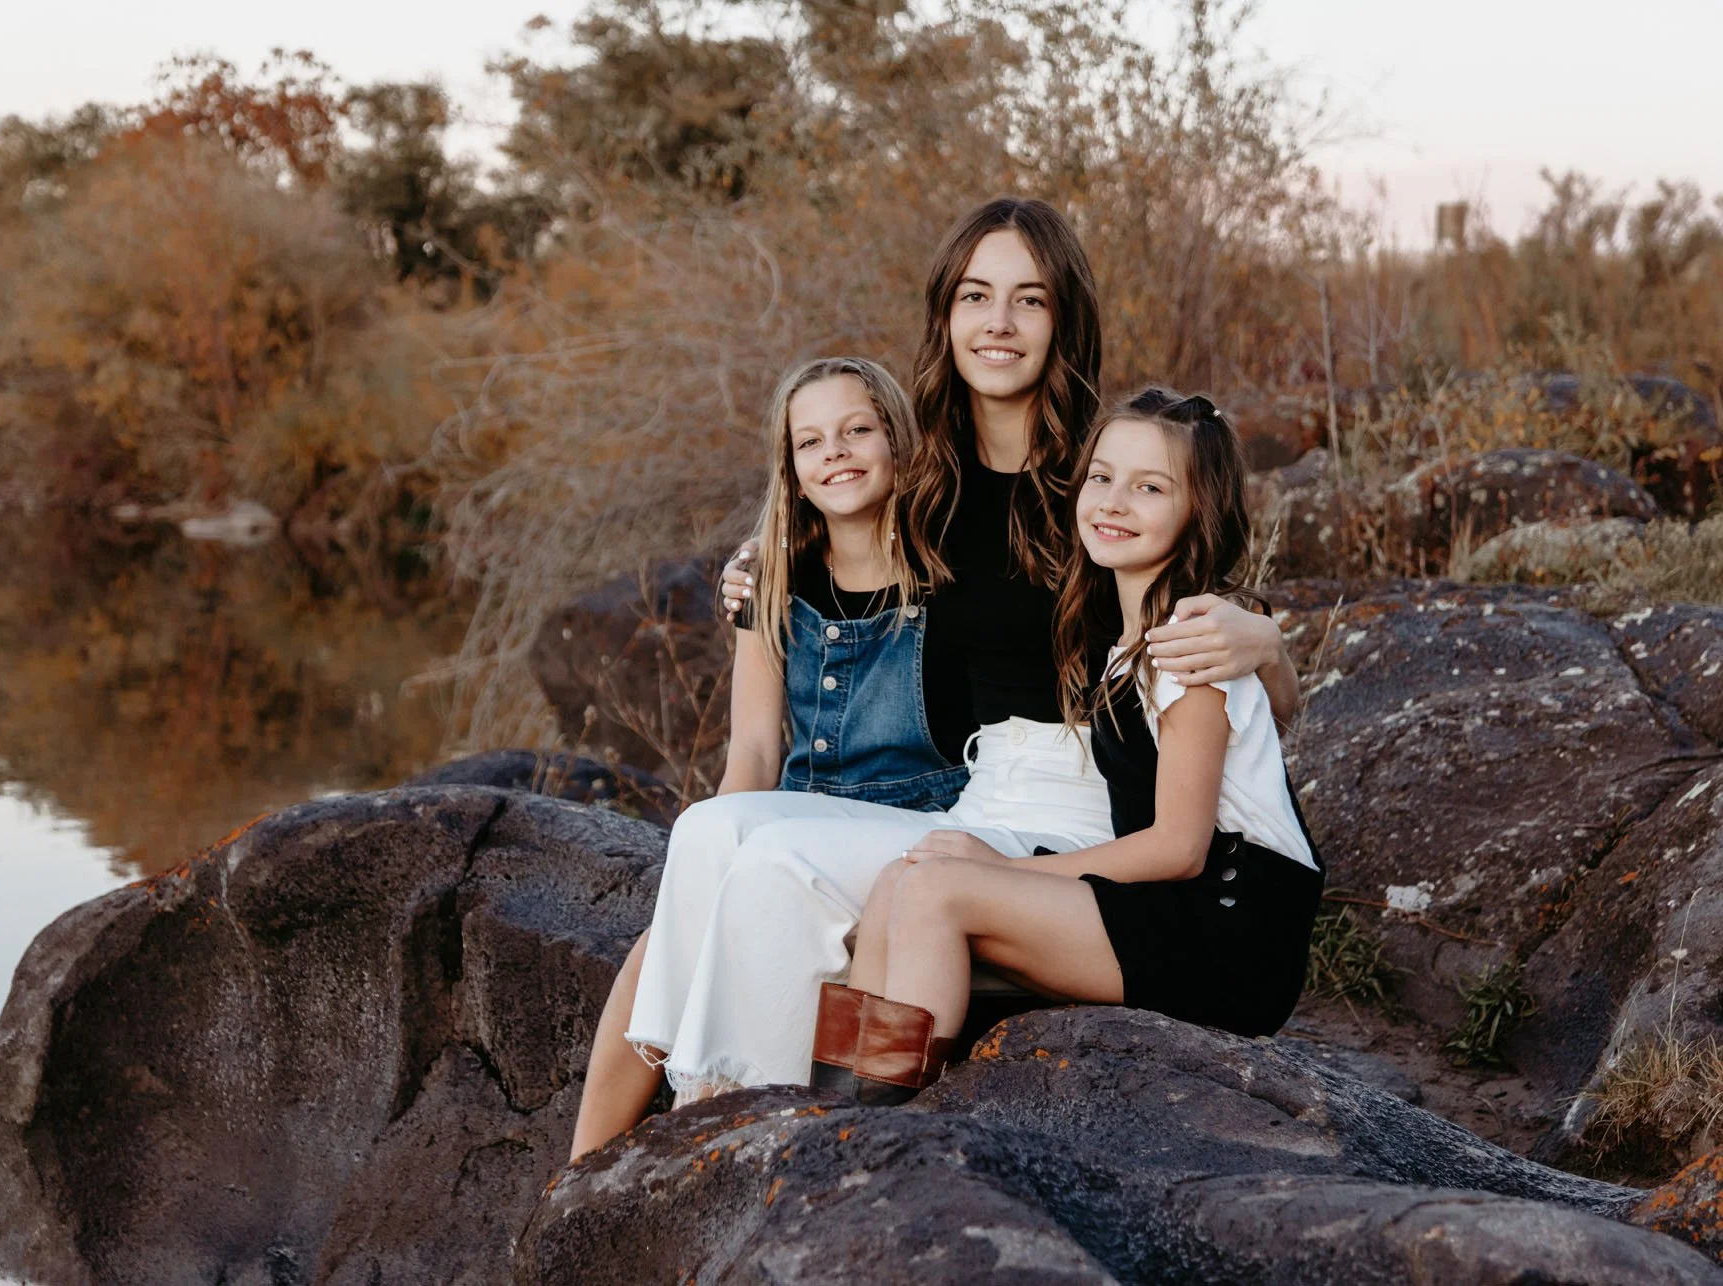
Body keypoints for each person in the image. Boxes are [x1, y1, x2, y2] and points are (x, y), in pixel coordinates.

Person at [625, 198, 1301, 1110]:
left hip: (1082, 806)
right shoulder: (926, 477)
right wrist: (764, 567)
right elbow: (833, 491)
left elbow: (1228, 691)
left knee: (789, 874)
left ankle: (800, 1128)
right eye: (977, 296)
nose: (999, 322)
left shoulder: (1096, 476)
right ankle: (713, 1119)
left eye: (1029, 299)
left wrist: (1268, 638)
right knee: (713, 833)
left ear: (1064, 317)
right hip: (981, 791)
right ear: (945, 314)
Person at [827, 390, 1323, 1102]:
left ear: (1198, 511)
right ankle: (840, 1102)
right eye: (1101, 477)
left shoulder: (1192, 645)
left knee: (937, 889)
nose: (1115, 501)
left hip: (1229, 931)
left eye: (1149, 487)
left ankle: (886, 1118)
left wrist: (1011, 870)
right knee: (905, 876)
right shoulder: (1126, 639)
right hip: (1168, 911)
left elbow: (1180, 849)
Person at [565, 355, 971, 1159]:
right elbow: (752, 750)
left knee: (764, 910)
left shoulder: (950, 570)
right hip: (799, 808)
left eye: (858, 430)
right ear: (789, 467)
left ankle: (735, 1137)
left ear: (895, 439)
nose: (838, 454)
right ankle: (580, 1179)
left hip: (914, 821)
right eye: (811, 442)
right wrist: (702, 869)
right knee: (661, 949)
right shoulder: (774, 573)